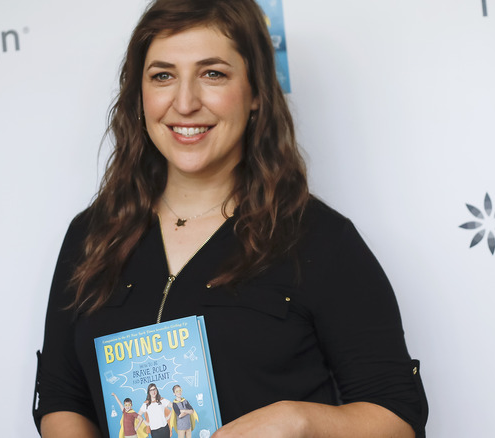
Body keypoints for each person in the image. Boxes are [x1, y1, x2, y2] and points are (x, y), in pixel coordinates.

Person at [33, 0, 427, 437]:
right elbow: (61, 396)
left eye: (212, 74)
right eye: (163, 76)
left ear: (256, 92)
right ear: (139, 96)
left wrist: (297, 422)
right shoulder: (91, 236)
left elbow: (398, 416)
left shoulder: (321, 239)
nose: (184, 103)